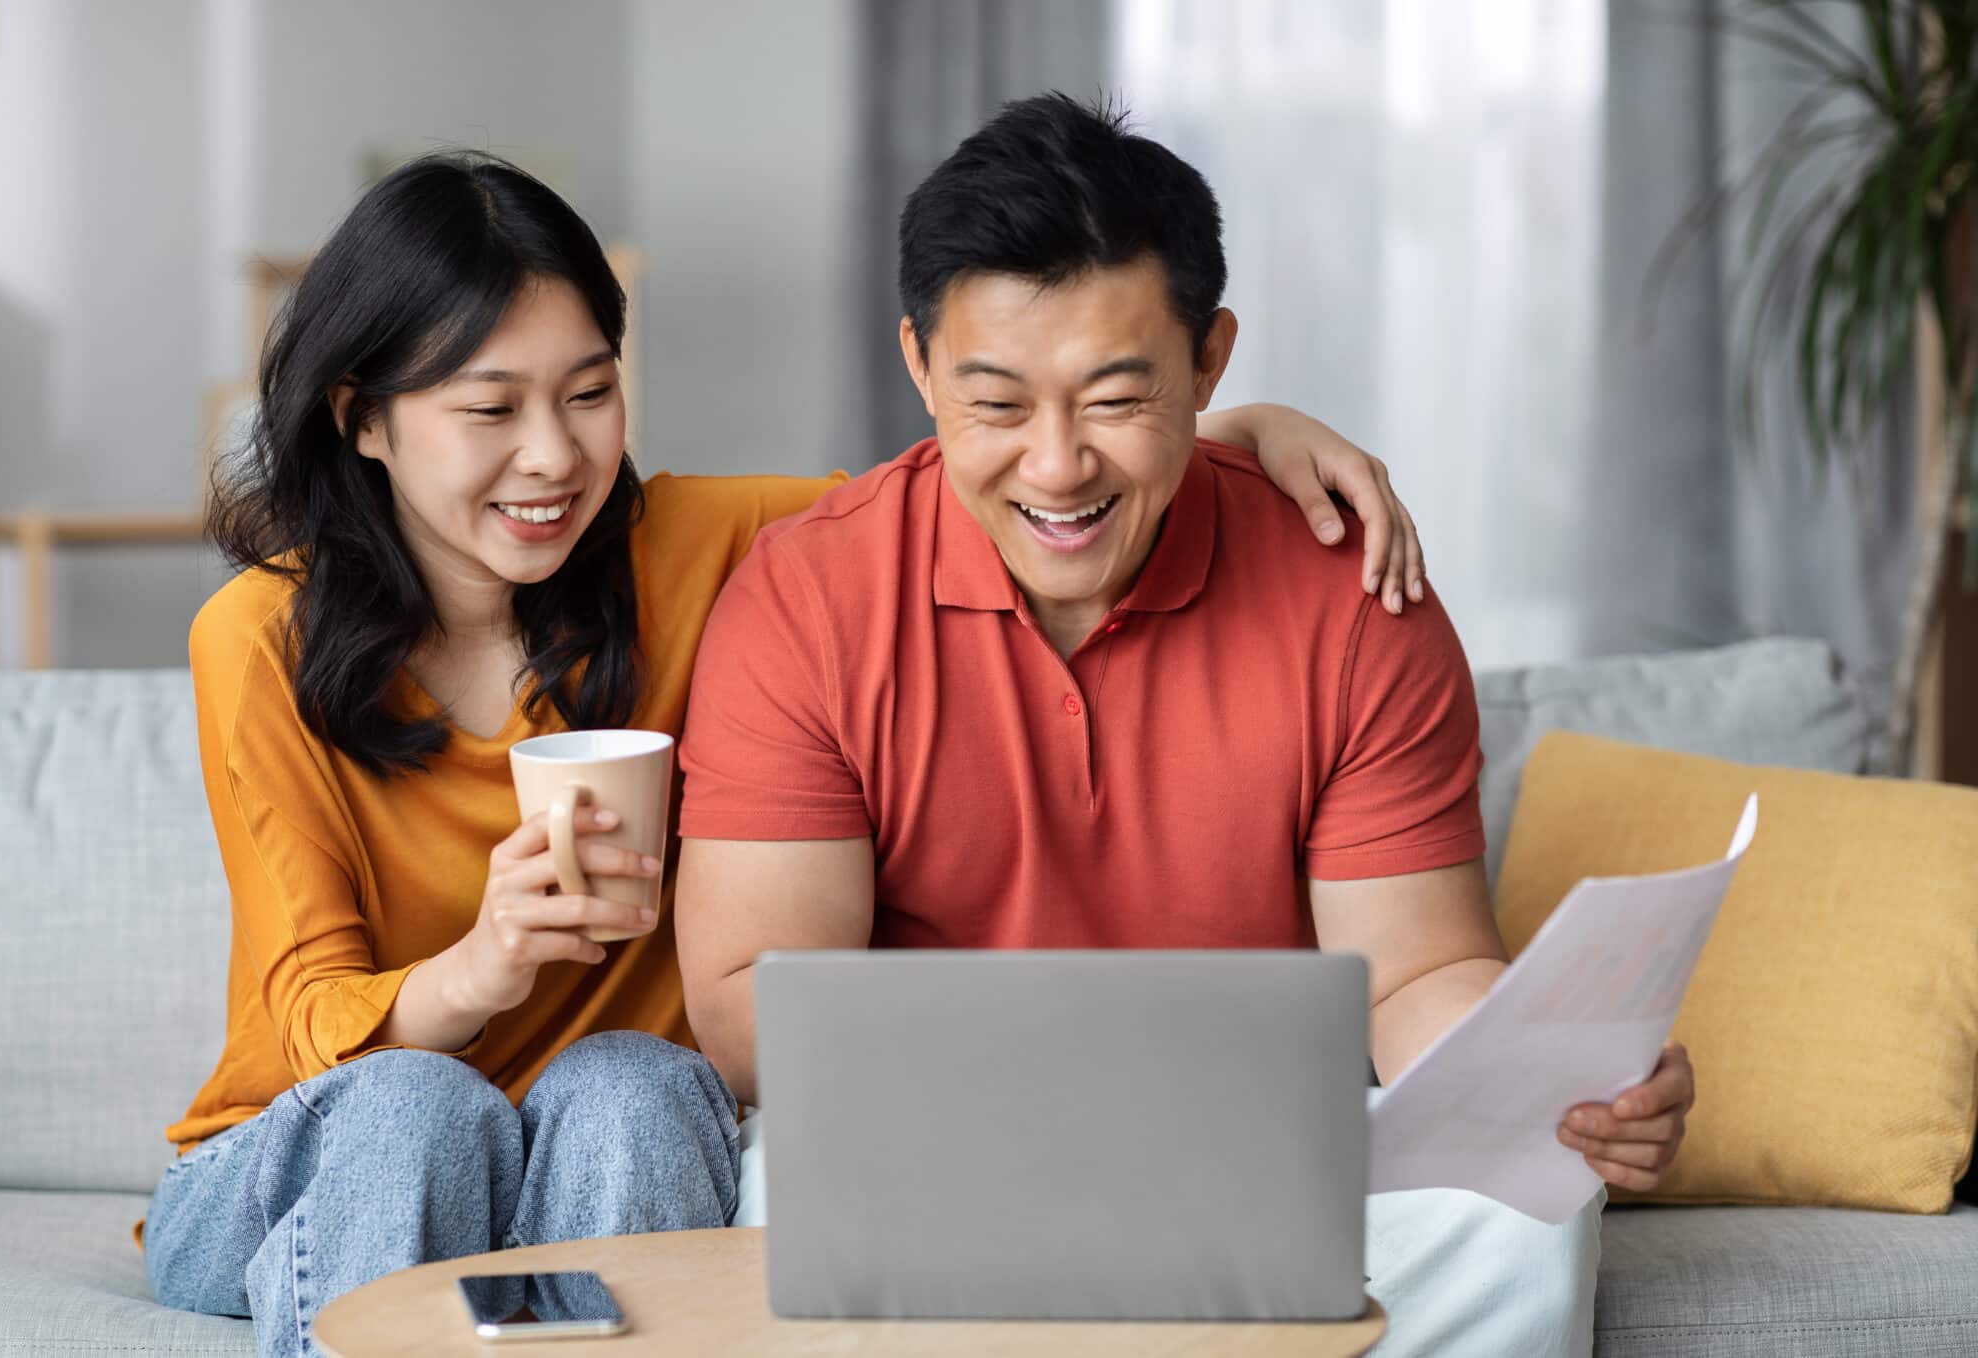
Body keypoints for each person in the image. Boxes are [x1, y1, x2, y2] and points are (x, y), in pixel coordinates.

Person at [139, 150, 1434, 1358]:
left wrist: (1230, 430)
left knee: (643, 1080)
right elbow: (308, 1016)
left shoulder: (703, 549)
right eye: (491, 407)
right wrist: (486, 962)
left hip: (585, 1126)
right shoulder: (258, 637)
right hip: (313, 1142)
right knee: (419, 1103)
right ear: (362, 419)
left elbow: (997, 476)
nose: (553, 454)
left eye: (589, 392)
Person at [673, 95, 1695, 1357]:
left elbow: (1411, 974)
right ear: (920, 367)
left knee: (1518, 1214)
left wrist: (1547, 1077)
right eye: (997, 405)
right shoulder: (806, 598)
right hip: (931, 1140)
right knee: (778, 1198)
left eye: (1114, 399)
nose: (1057, 467)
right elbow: (748, 1008)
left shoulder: (1350, 589)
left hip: (1259, 1148)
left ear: (1208, 362)